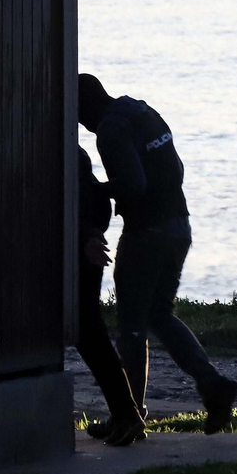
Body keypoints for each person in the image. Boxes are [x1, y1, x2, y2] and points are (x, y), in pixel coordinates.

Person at [78, 73, 237, 435]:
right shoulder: (141, 111)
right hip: (178, 225)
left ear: (84, 107)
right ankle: (211, 384)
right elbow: (177, 168)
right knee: (159, 314)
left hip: (146, 233)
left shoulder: (109, 129)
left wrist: (93, 190)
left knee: (132, 327)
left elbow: (134, 184)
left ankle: (128, 414)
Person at [74, 147, 146, 446]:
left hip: (79, 252)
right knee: (90, 333)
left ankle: (127, 414)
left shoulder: (71, 159)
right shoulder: (78, 158)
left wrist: (85, 237)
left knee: (89, 333)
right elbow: (98, 204)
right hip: (84, 248)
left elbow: (85, 202)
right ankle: (126, 414)